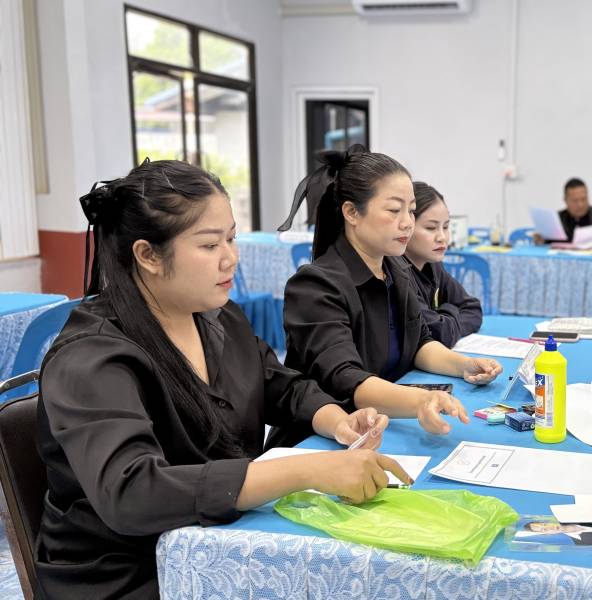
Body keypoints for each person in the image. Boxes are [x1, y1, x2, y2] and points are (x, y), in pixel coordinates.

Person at [35, 159, 410, 599]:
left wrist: (336, 420)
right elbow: (131, 492)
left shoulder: (216, 317)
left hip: (222, 541)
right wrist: (308, 469)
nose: (231, 257)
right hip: (130, 573)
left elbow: (279, 383)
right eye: (210, 244)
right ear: (148, 255)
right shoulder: (91, 357)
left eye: (231, 238)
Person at [277, 146, 503, 447]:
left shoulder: (396, 269)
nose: (407, 222)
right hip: (324, 438)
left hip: (382, 422)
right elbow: (346, 379)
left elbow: (420, 343)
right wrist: (420, 401)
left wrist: (464, 365)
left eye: (411, 210)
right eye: (394, 211)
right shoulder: (315, 286)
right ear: (351, 212)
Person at [400, 181, 482, 347]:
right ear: (406, 227)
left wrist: (446, 321)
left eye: (445, 227)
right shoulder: (398, 274)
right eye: (431, 228)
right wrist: (450, 310)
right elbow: (439, 332)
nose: (442, 237)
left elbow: (473, 309)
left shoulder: (434, 265)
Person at [534, 178, 592, 246]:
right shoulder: (556, 221)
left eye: (584, 199)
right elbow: (546, 248)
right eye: (575, 201)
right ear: (565, 200)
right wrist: (540, 241)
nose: (580, 205)